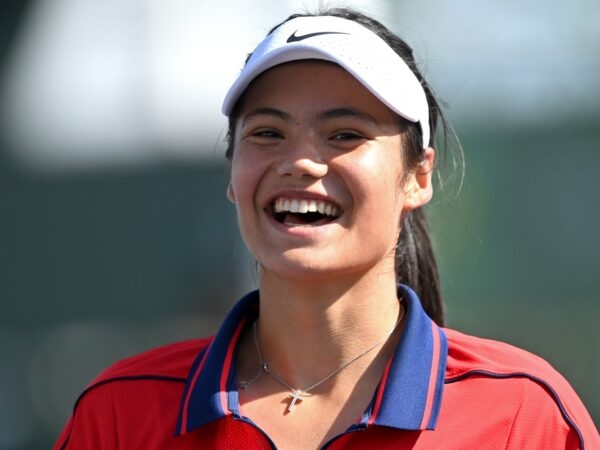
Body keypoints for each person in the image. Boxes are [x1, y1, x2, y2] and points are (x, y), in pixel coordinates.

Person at [54, 7, 599, 450]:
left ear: (417, 176)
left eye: (344, 135)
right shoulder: (120, 414)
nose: (301, 162)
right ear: (232, 174)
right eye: (267, 133)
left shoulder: (522, 418)